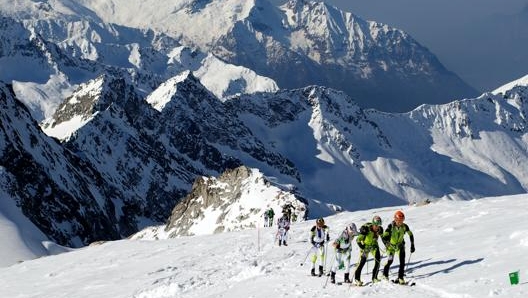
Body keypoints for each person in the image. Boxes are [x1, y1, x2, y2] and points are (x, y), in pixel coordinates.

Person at [381, 210, 415, 284]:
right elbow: (384, 236)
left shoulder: (404, 226)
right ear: (395, 220)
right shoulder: (391, 226)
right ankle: (385, 274)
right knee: (390, 261)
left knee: (402, 262)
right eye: (398, 220)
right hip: (391, 247)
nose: (400, 222)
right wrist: (386, 242)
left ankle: (400, 277)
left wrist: (412, 245)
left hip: (400, 246)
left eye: (402, 220)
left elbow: (411, 234)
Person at [353, 215, 384, 286]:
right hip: (366, 247)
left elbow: (383, 238)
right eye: (376, 225)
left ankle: (374, 278)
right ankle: (357, 279)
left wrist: (386, 244)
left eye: (378, 225)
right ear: (373, 224)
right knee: (362, 262)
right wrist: (362, 246)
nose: (377, 227)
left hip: (374, 246)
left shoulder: (379, 230)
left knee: (378, 261)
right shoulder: (366, 230)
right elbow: (358, 240)